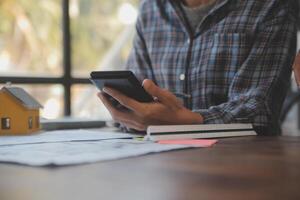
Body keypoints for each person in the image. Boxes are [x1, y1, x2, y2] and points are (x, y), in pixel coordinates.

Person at [98, 0, 298, 135]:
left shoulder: (271, 7)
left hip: (240, 166)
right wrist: (129, 115)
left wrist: (190, 121)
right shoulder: (151, 8)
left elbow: (260, 112)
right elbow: (138, 94)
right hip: (162, 169)